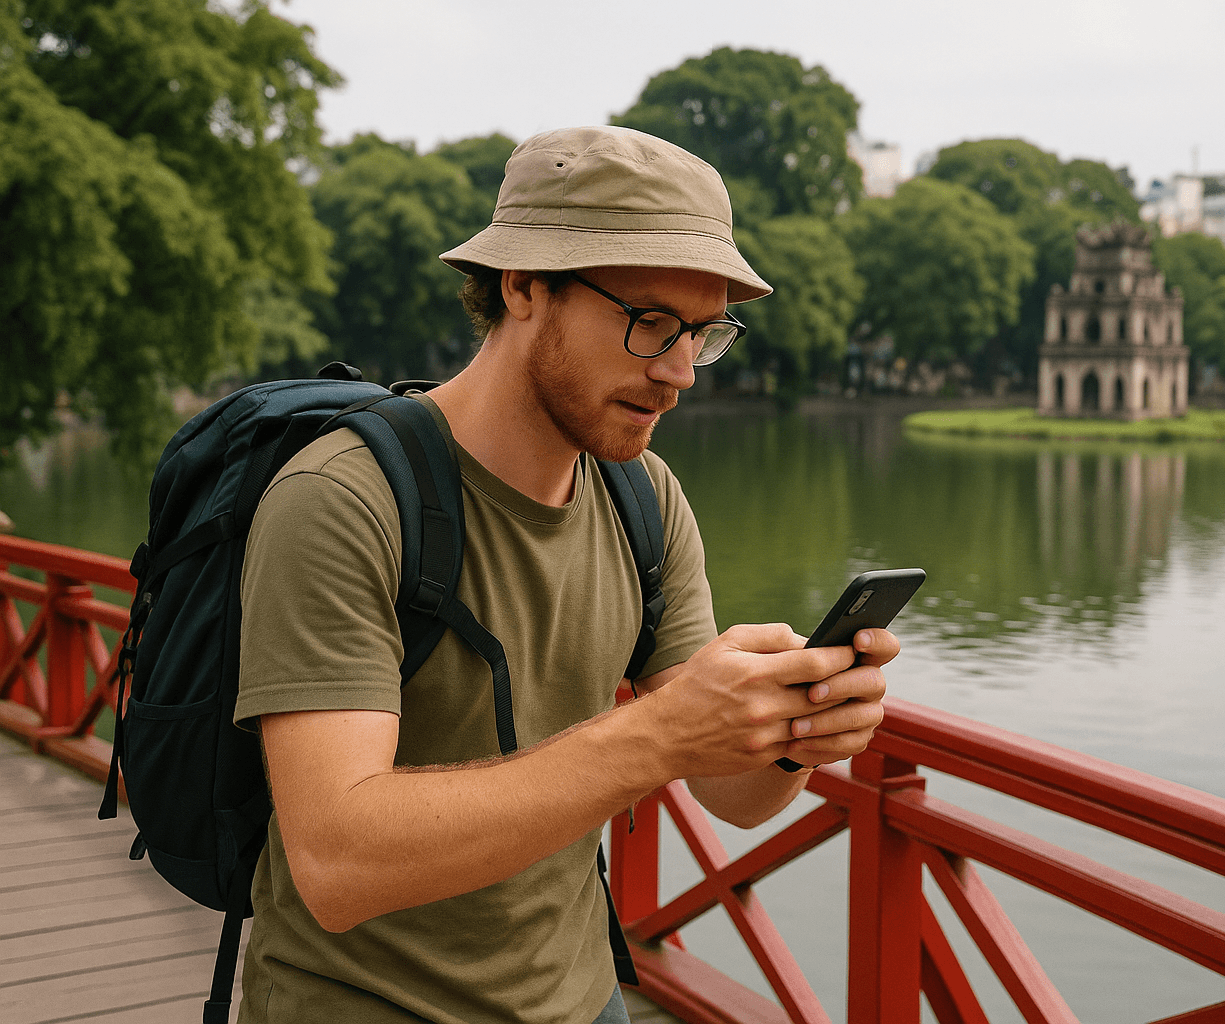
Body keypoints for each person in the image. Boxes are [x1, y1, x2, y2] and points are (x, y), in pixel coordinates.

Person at [232, 125, 900, 1024]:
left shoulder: (643, 497)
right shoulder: (341, 500)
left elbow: (730, 794)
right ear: (523, 285)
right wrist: (655, 735)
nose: (679, 372)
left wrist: (797, 730)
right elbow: (336, 865)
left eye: (702, 334)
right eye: (649, 322)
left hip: (584, 1000)